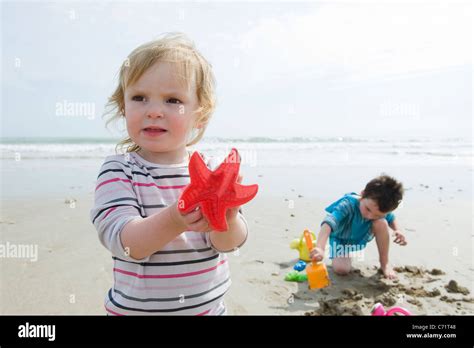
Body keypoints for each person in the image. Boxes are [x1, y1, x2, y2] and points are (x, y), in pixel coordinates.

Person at [90, 33, 248, 315]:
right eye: (139, 97)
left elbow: (227, 244)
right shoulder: (120, 170)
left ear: (199, 115)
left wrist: (229, 220)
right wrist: (175, 218)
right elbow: (127, 244)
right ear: (123, 106)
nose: (154, 111)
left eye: (172, 100)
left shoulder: (212, 170)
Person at [311, 175, 407, 279]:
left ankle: (385, 263)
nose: (370, 216)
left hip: (363, 233)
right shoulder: (347, 204)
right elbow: (328, 223)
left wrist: (398, 230)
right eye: (368, 209)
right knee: (341, 269)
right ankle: (345, 255)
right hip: (341, 239)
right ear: (362, 194)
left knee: (381, 222)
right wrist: (320, 248)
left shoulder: (380, 208)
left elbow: (391, 218)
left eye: (377, 215)